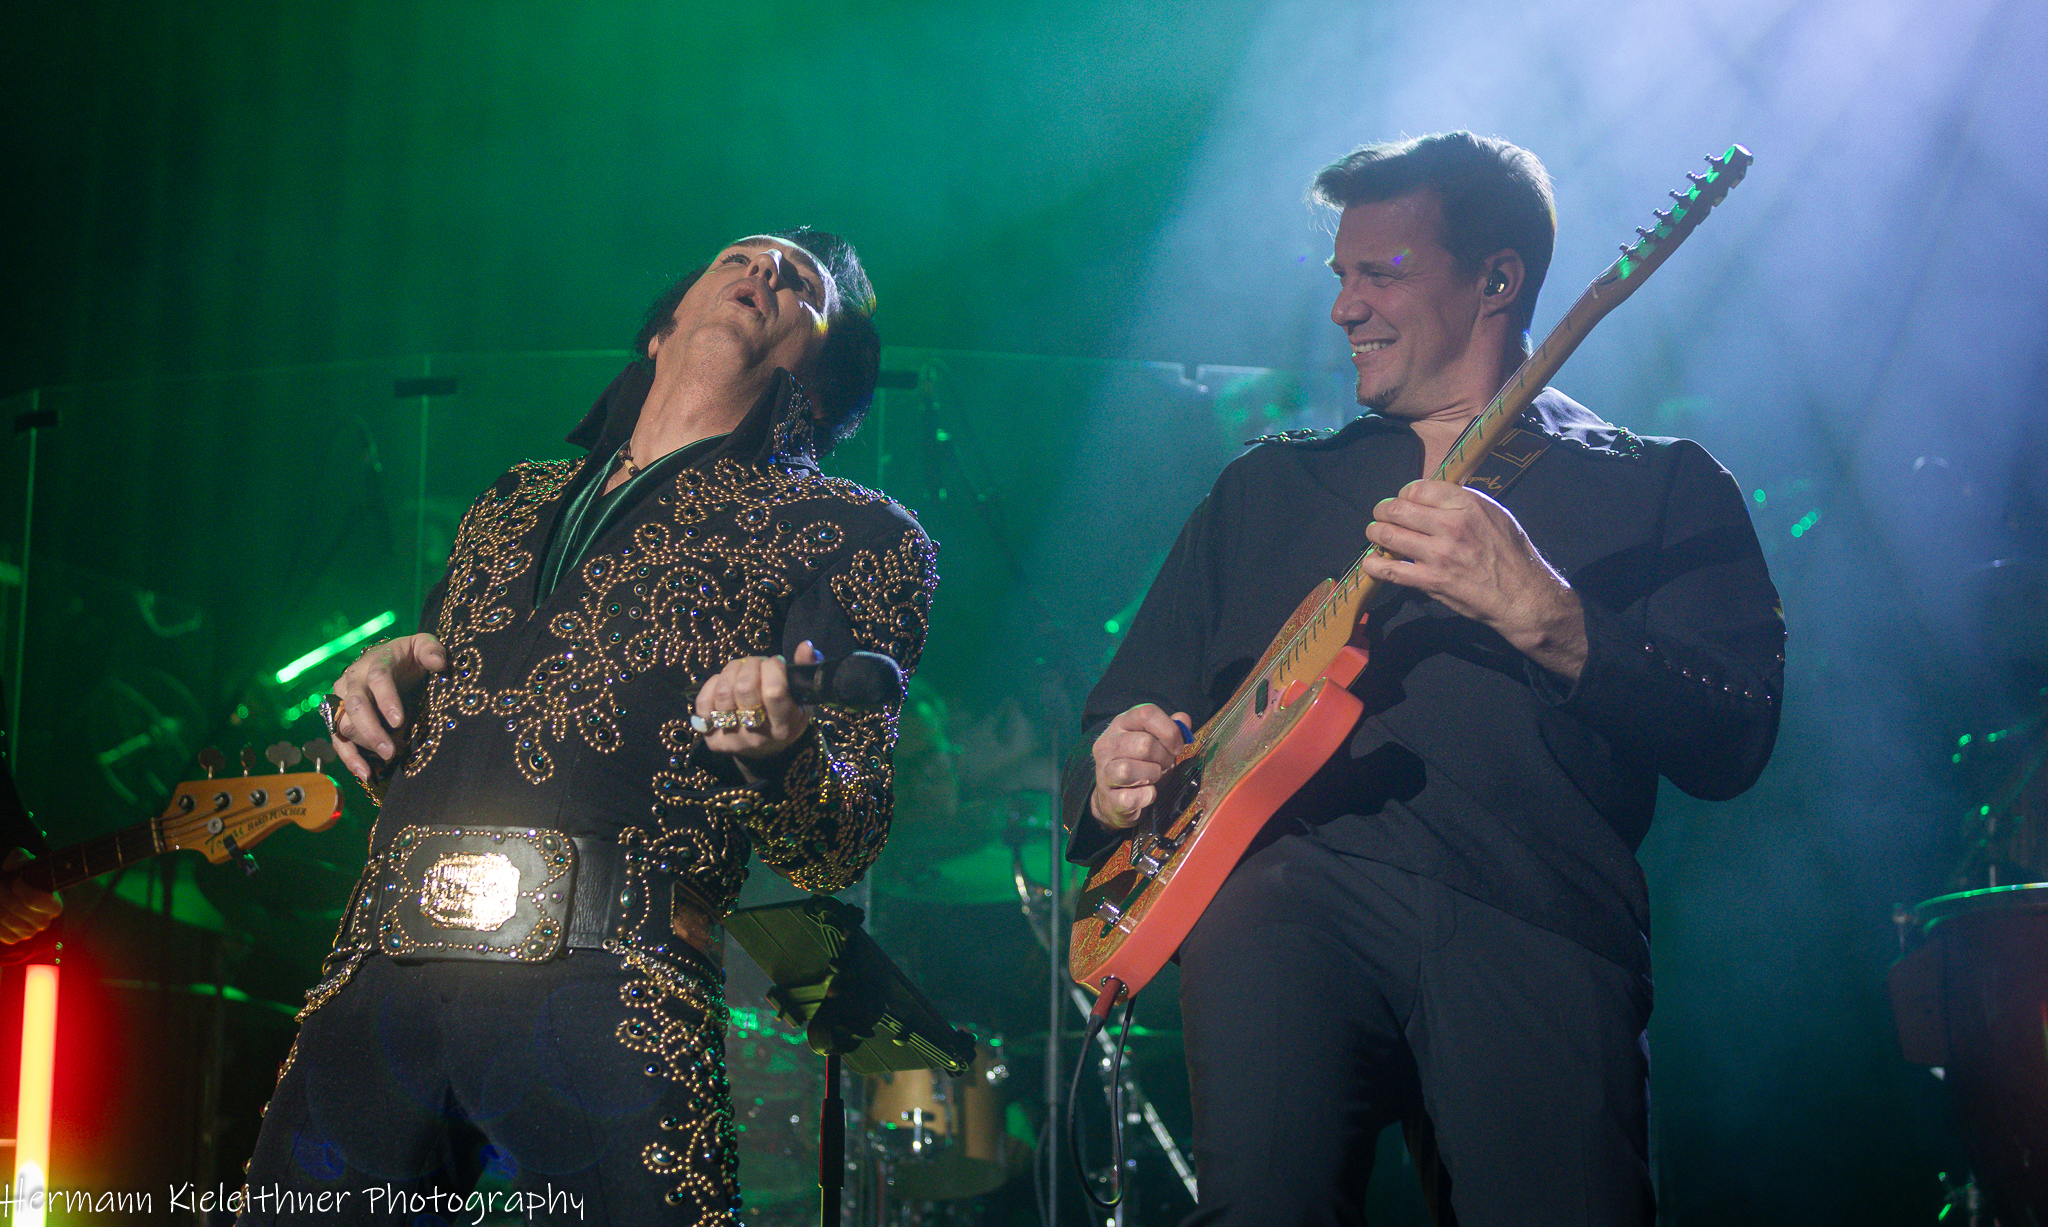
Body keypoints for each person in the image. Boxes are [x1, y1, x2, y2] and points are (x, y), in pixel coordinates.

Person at [1064, 133, 1783, 1226]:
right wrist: (1116, 768)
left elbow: (1736, 736)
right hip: (1287, 892)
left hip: (1539, 913)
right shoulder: (1267, 488)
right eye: (1340, 275)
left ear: (1497, 279)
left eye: (1381, 274)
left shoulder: (1661, 488)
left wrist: (1549, 616)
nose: (1344, 307)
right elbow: (1114, 723)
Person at [241, 229, 937, 1225]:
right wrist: (371, 699)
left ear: (821, 381)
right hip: (380, 973)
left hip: (612, 980)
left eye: (802, 286)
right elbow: (426, 740)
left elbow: (842, 839)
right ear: (661, 328)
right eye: (742, 255)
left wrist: (783, 747)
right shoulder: (508, 504)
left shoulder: (857, 533)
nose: (766, 271)